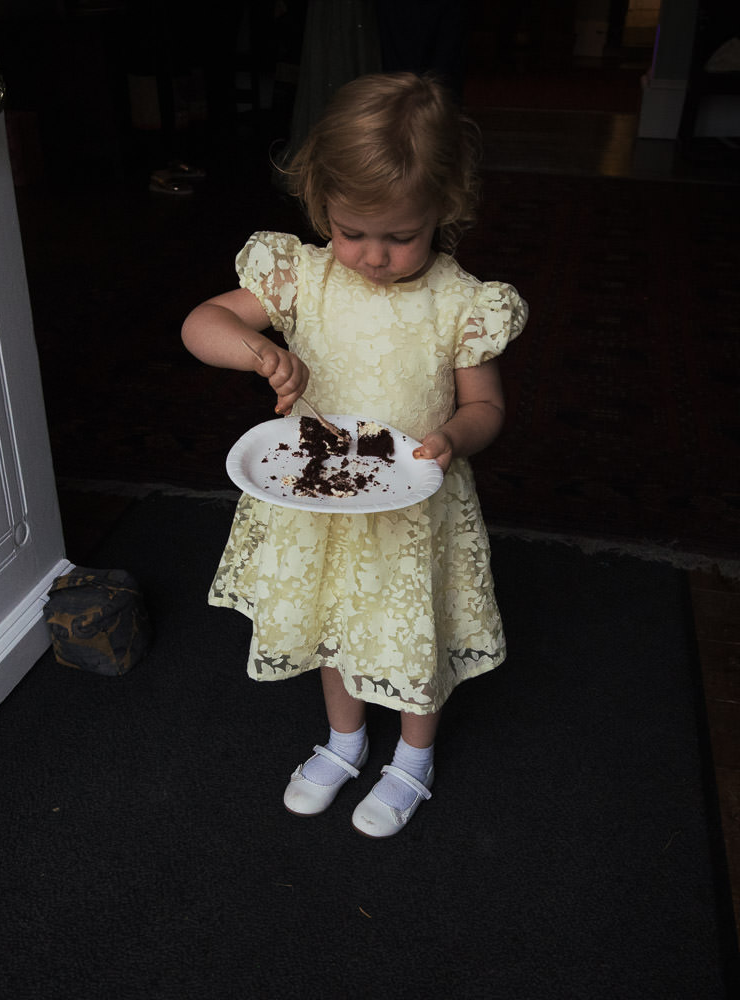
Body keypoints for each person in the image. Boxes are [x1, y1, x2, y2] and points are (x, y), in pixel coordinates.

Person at [181, 72, 528, 838]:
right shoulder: (302, 276)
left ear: (446, 206)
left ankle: (412, 757)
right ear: (320, 207)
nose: (372, 256)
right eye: (351, 230)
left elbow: (487, 407)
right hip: (322, 504)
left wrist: (456, 437)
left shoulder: (461, 300)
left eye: (401, 236)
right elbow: (200, 324)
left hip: (413, 510)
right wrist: (253, 349)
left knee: (412, 633)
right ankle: (344, 742)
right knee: (333, 625)